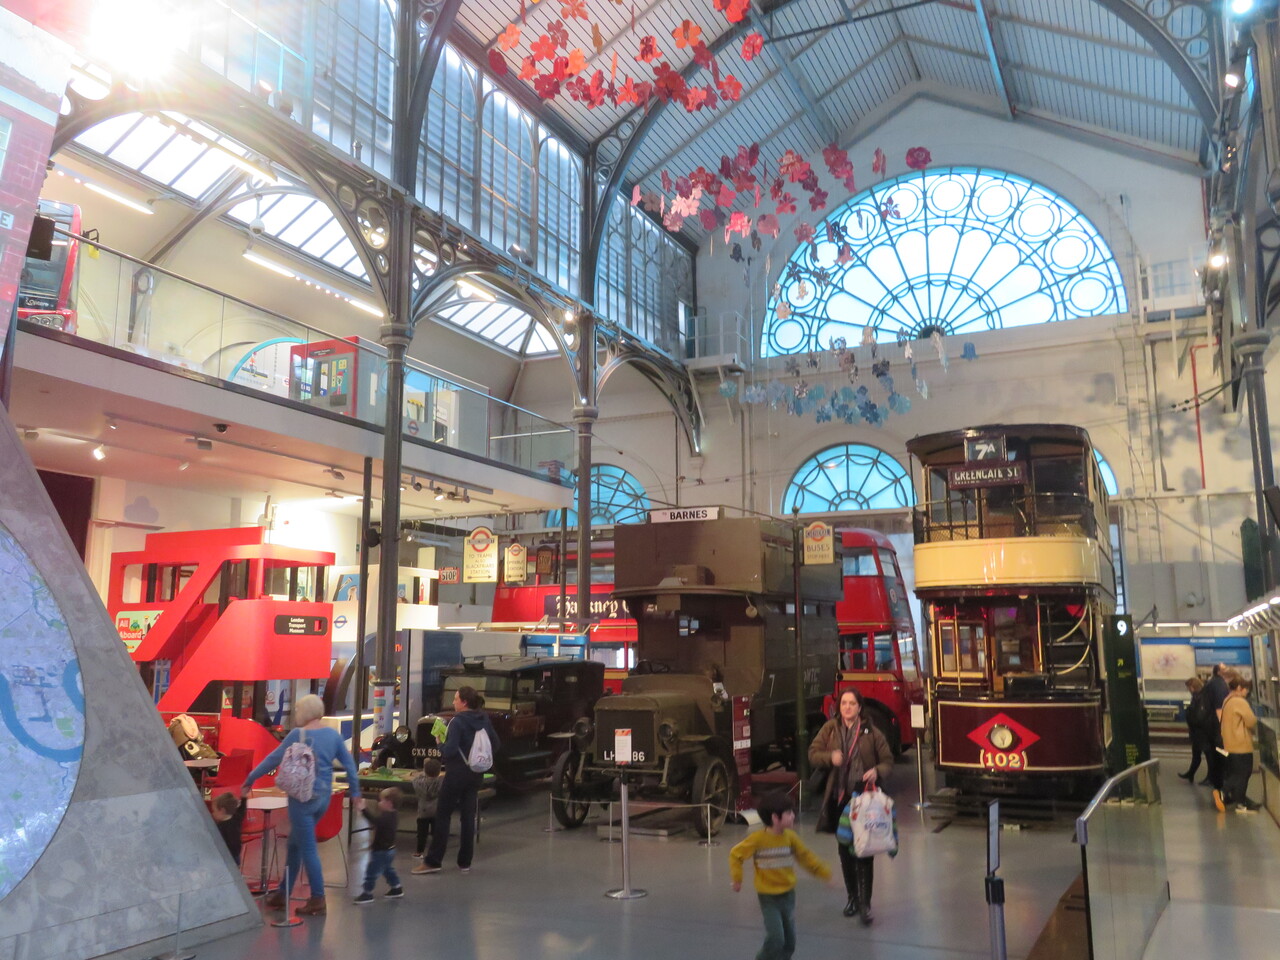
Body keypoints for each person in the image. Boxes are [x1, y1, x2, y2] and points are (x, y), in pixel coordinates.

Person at [243, 693, 362, 917]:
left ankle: (318, 898)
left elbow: (273, 759)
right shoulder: (332, 735)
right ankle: (283, 892)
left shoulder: (298, 735)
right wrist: (355, 792)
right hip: (323, 799)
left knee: (307, 848)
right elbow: (350, 765)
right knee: (295, 845)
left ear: (304, 712)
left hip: (302, 799)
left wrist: (250, 778)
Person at [807, 688, 893, 924]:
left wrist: (877, 771)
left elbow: (888, 761)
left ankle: (865, 904)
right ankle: (852, 898)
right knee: (845, 849)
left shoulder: (871, 732)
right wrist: (830, 758)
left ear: (859, 707)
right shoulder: (830, 729)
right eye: (844, 703)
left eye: (852, 703)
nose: (847, 707)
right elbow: (813, 753)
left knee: (864, 850)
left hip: (863, 799)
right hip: (839, 799)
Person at [730, 792, 835, 960]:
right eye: (789, 813)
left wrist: (824, 873)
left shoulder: (790, 838)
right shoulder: (758, 839)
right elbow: (736, 854)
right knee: (776, 938)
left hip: (788, 896)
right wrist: (737, 879)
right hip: (768, 898)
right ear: (775, 817)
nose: (793, 816)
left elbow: (806, 857)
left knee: (789, 942)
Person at [414, 686, 500, 875]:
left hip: (456, 774)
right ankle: (465, 862)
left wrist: (439, 744)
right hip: (475, 773)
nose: (453, 702)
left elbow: (450, 751)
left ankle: (434, 860)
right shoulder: (484, 719)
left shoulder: (457, 722)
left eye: (455, 699)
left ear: (464, 702)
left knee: (443, 815)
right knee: (468, 816)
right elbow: (495, 743)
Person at [354, 787, 405, 903]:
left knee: (371, 872)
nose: (379, 803)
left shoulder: (386, 817)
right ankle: (396, 887)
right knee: (387, 869)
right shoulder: (393, 815)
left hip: (381, 851)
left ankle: (367, 893)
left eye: (381, 800)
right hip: (390, 849)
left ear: (389, 803)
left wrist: (363, 809)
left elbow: (374, 821)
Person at [1219, 677, 1261, 813]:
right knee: (1243, 774)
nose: (1246, 692)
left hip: (1229, 743)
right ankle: (1226, 794)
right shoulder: (1239, 701)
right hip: (1241, 744)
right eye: (1245, 689)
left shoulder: (1227, 700)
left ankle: (1237, 799)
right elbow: (1251, 721)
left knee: (1236, 772)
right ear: (1238, 688)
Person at [1201, 663, 1230, 806]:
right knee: (1221, 757)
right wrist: (1223, 728)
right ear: (1219, 671)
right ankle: (1220, 789)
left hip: (1209, 726)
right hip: (1216, 727)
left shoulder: (1211, 683)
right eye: (1225, 669)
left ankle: (1215, 782)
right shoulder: (1219, 685)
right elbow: (1219, 709)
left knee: (1215, 756)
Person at [411, 757, 443, 858]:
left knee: (421, 833)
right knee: (436, 832)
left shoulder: (418, 782)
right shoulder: (441, 782)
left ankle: (419, 851)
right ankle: (436, 851)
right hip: (437, 810)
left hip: (423, 811)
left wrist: (423, 772)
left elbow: (414, 780)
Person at [1178, 677, 1208, 782]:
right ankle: (1191, 773)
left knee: (1204, 755)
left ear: (1192, 687)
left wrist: (1189, 714)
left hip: (1200, 732)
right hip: (1199, 732)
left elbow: (1198, 715)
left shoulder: (1199, 697)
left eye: (1188, 687)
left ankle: (1205, 776)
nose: (1188, 690)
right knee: (1197, 754)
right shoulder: (1200, 696)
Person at [210, 792, 246, 865]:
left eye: (214, 811)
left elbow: (231, 844)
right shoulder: (236, 818)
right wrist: (244, 797)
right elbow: (242, 810)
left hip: (228, 858)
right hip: (235, 856)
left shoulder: (222, 827)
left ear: (222, 810)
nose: (212, 814)